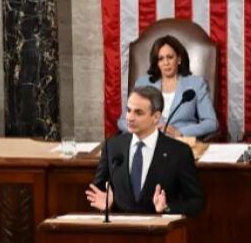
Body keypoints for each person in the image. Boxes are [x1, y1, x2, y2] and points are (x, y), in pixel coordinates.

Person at [87, 85, 204, 216]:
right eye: (129, 110)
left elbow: (196, 202)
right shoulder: (112, 146)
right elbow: (96, 194)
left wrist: (167, 208)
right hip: (120, 230)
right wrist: (105, 207)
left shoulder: (179, 152)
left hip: (159, 231)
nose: (130, 117)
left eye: (138, 113)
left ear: (156, 117)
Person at [116, 35, 219, 139]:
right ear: (157, 63)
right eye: (160, 59)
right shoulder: (142, 83)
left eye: (170, 57)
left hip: (178, 143)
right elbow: (122, 121)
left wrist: (180, 132)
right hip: (146, 141)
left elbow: (211, 122)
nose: (166, 63)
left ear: (178, 59)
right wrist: (144, 129)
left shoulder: (196, 84)